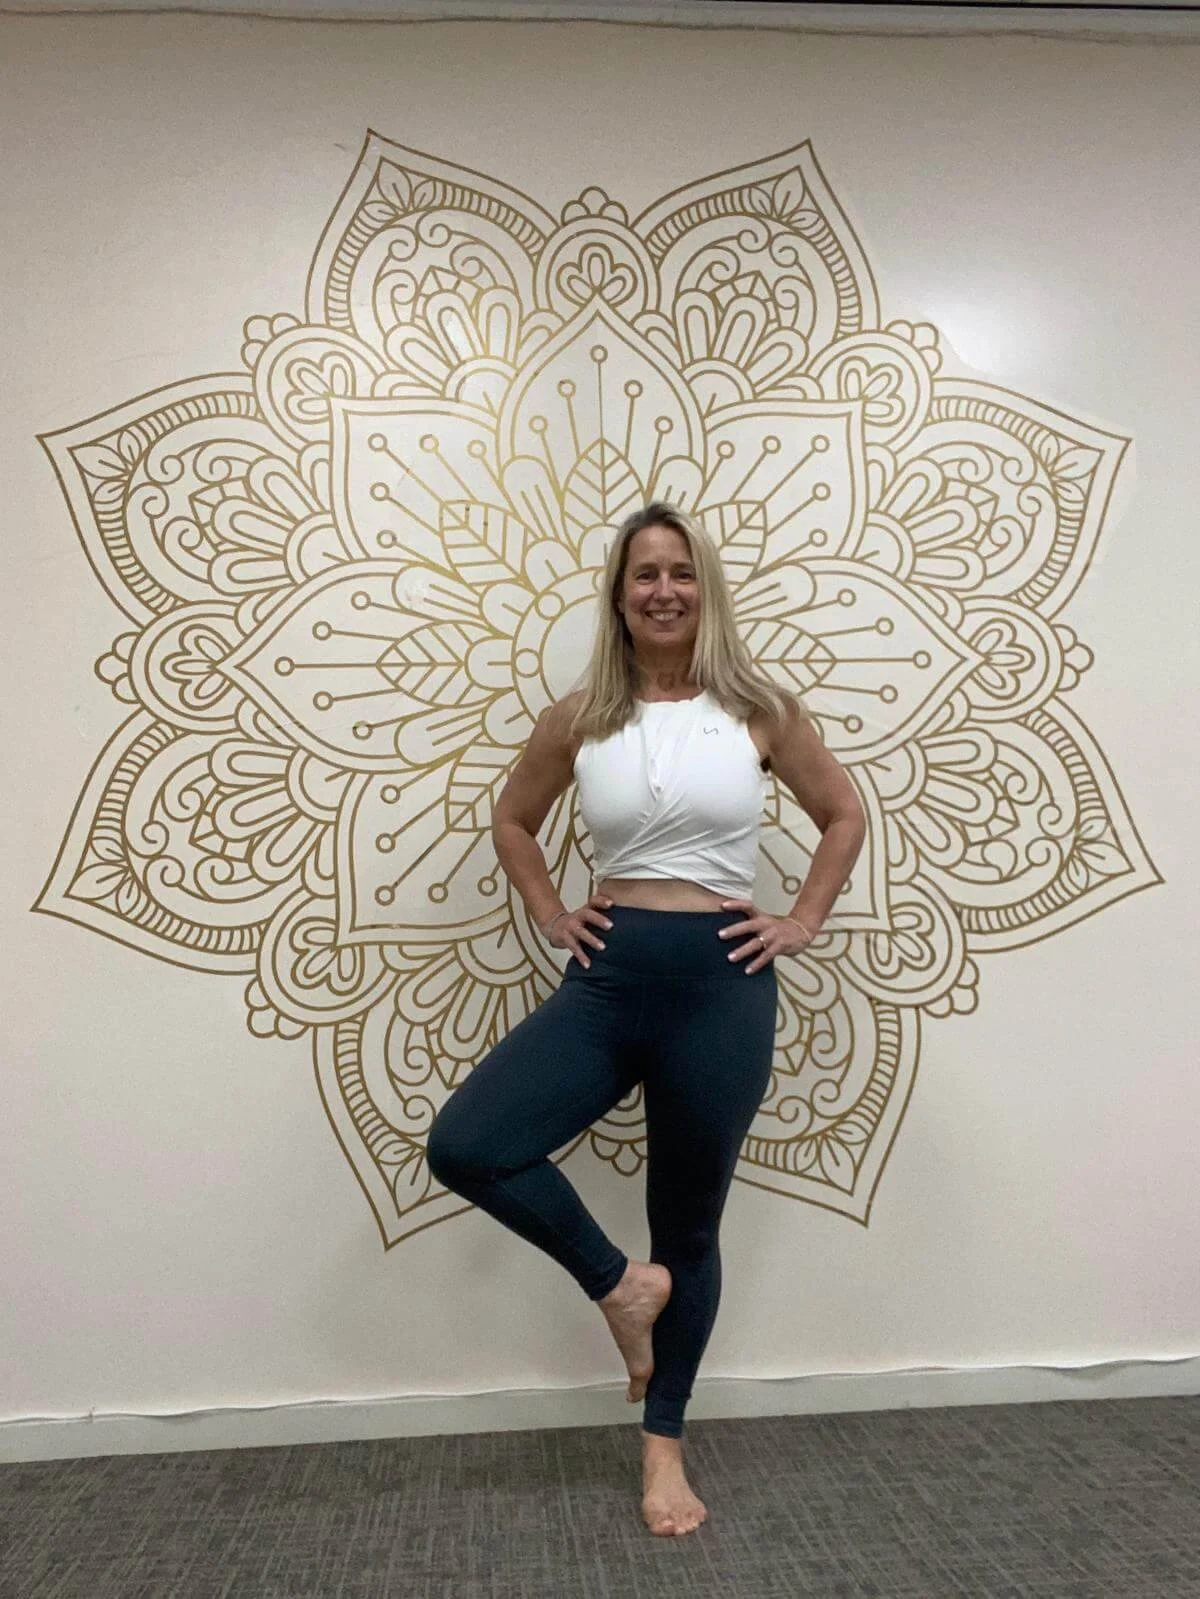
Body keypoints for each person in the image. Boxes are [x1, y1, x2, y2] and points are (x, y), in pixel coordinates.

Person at [425, 501, 866, 1537]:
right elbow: (512, 817)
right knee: (471, 1143)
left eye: (681, 573)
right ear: (618, 598)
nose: (663, 590)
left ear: (703, 589)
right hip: (612, 976)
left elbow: (844, 813)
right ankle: (624, 1289)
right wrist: (547, 907)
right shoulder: (581, 716)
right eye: (643, 575)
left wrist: (801, 918)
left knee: (691, 1224)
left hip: (722, 983)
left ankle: (663, 1452)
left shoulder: (759, 709)